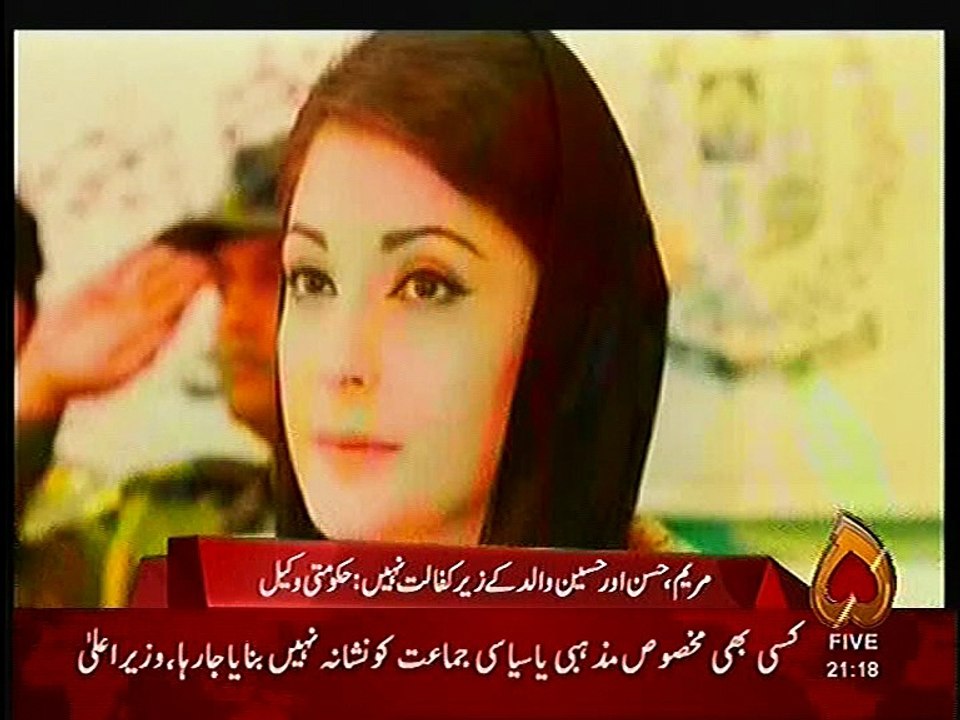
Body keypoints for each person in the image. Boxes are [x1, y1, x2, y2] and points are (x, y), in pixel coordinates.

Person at [272, 31, 671, 551]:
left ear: (570, 330)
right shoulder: (206, 598)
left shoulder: (719, 606)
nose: (340, 363)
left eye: (426, 286)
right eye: (312, 280)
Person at [14, 136, 285, 606]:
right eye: (225, 283)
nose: (234, 318)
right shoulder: (160, 532)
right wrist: (38, 395)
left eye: (275, 278)